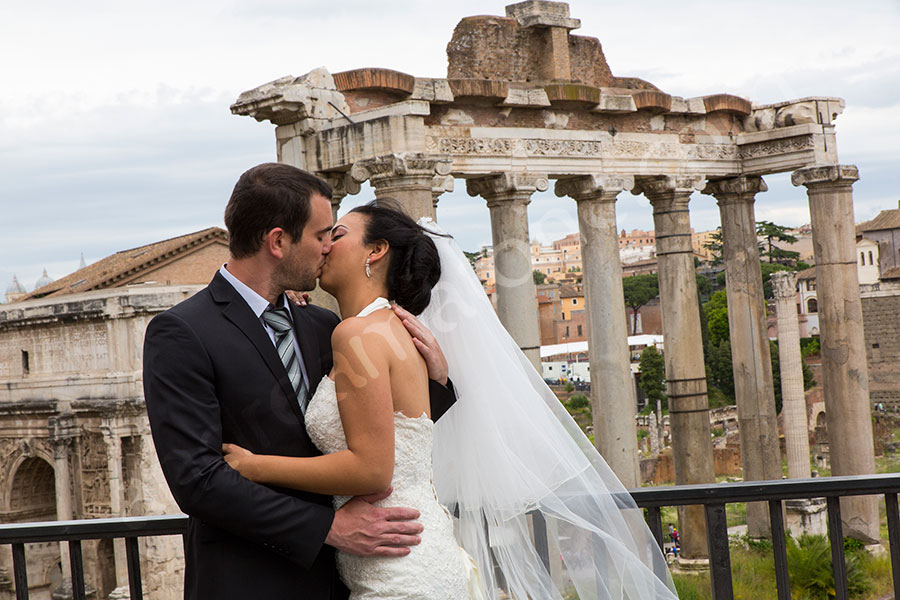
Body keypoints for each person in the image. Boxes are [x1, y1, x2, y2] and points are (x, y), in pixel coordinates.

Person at [224, 199, 679, 599]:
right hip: (407, 551)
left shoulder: (356, 334)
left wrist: (254, 466)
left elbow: (373, 469)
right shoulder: (390, 330)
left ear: (376, 251)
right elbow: (402, 440)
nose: (323, 245)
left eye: (336, 235)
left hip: (397, 566)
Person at [142, 163, 458, 600]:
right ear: (277, 241)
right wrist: (327, 528)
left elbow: (380, 432)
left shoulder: (324, 324)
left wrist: (437, 383)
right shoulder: (181, 332)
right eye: (321, 234)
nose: (328, 247)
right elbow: (197, 480)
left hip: (348, 578)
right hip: (251, 579)